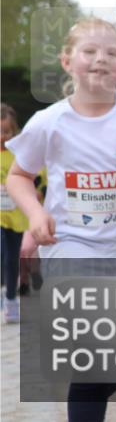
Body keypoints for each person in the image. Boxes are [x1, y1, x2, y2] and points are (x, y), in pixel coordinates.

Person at [5, 17, 116, 421]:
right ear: (68, 62)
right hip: (71, 248)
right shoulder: (50, 122)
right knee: (91, 365)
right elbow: (18, 176)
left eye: (112, 53)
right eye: (90, 51)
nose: (101, 59)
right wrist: (35, 213)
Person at [1, 104, 27, 323]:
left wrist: (36, 190)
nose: (2, 136)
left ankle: (10, 298)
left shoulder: (19, 153)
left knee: (12, 260)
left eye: (6, 132)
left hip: (17, 216)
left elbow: (37, 175)